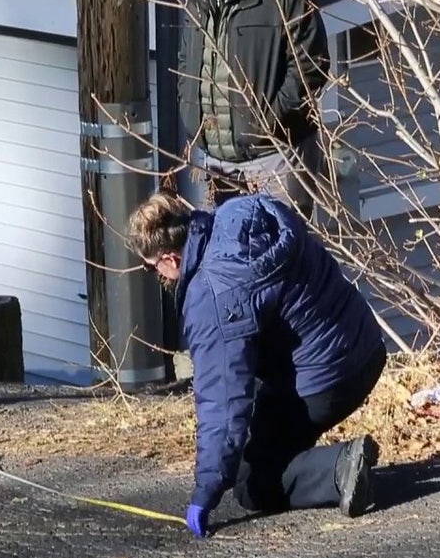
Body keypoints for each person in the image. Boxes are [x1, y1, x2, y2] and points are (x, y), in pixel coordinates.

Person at [126, 190, 387, 538]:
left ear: (171, 259)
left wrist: (206, 491)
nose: (156, 274)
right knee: (264, 422)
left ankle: (340, 468)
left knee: (252, 482)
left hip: (326, 379)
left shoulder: (210, 296)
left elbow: (222, 399)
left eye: (151, 267)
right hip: (365, 343)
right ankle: (312, 456)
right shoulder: (241, 213)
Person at [178, 0, 331, 219]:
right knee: (234, 256)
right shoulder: (197, 4)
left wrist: (267, 120)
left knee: (283, 250)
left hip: (275, 156)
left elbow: (312, 68)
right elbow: (186, 64)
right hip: (219, 163)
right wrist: (190, 114)